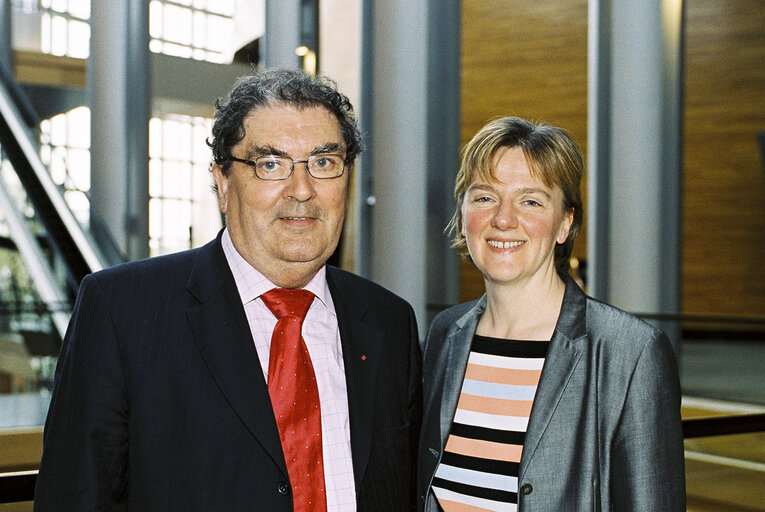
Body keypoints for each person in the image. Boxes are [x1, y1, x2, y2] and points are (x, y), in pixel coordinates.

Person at [34, 68, 422, 511]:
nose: (302, 190)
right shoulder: (123, 311)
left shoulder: (391, 322)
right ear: (222, 182)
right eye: (270, 164)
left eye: (323, 163)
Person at [417, 117, 685, 511]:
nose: (503, 219)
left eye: (530, 201)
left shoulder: (630, 352)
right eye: (485, 197)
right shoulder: (444, 335)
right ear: (463, 213)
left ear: (564, 223)